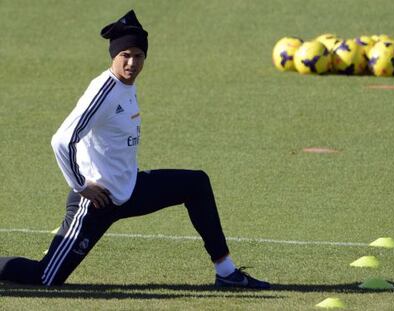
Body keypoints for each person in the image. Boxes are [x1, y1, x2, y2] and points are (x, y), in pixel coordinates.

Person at [0, 10, 269, 289]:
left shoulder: (127, 86)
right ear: (113, 56)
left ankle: (226, 272)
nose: (131, 63)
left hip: (129, 190)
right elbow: (61, 140)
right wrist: (81, 185)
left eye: (138, 56)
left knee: (196, 184)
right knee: (45, 278)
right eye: (125, 55)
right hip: (97, 201)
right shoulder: (103, 90)